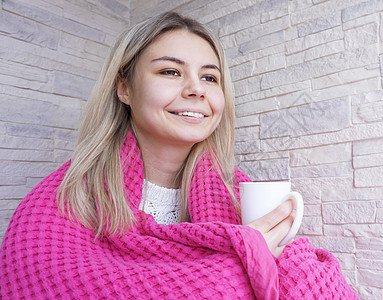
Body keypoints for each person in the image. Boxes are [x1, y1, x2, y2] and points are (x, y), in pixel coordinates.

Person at [0, 11, 358, 299]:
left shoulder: (238, 192)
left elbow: (302, 271)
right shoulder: (66, 197)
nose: (195, 90)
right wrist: (247, 261)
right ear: (124, 88)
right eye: (171, 71)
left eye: (210, 78)